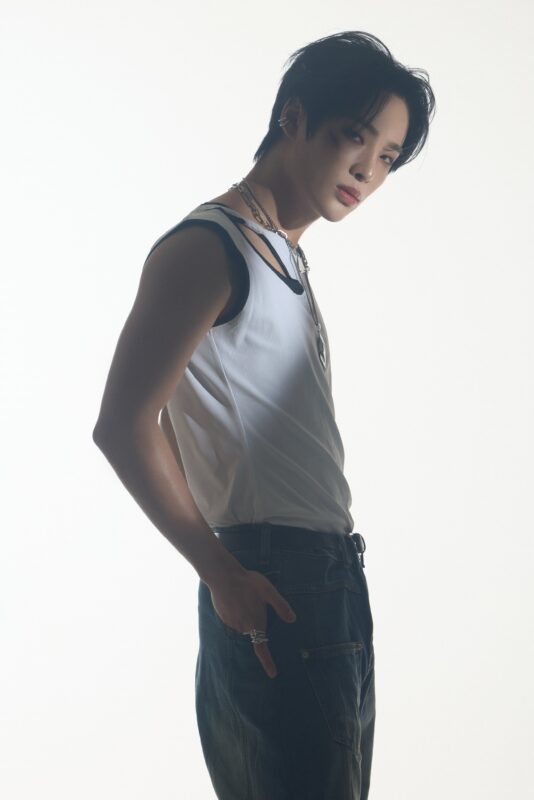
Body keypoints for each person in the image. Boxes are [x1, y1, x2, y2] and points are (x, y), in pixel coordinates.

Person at [93, 29, 435, 800]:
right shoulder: (212, 247)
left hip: (329, 578)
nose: (368, 171)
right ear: (293, 116)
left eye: (388, 157)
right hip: (275, 576)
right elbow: (124, 424)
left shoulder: (285, 256)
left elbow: (185, 424)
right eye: (356, 136)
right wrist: (221, 569)